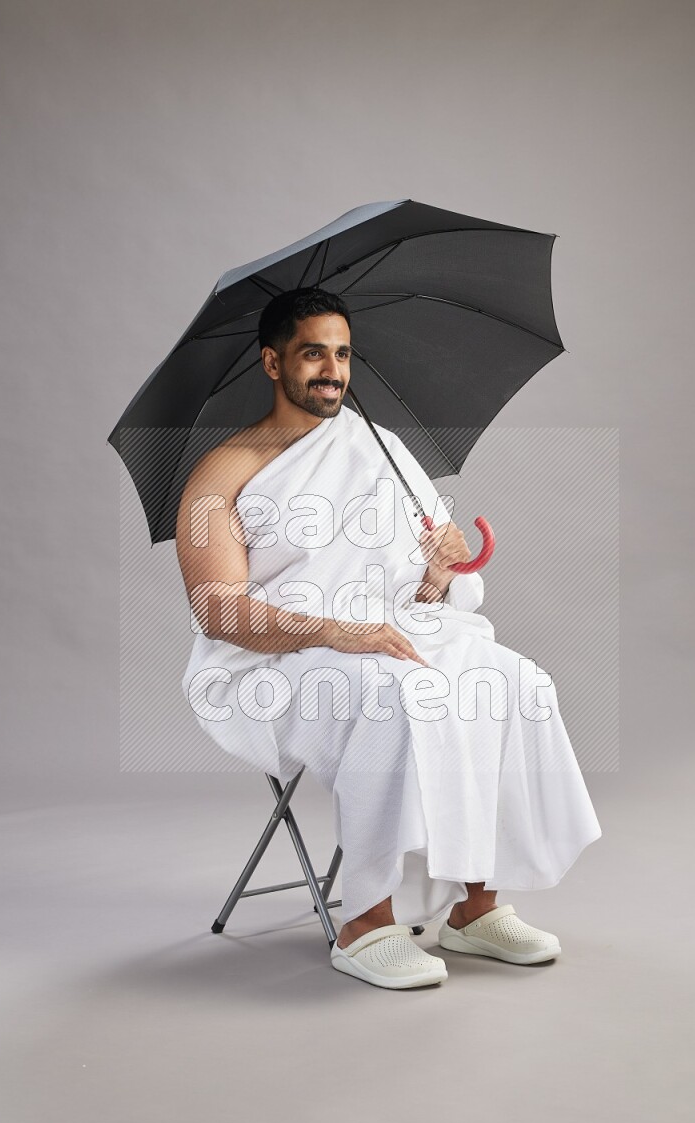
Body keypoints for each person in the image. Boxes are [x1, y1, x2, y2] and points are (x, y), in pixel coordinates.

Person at [176, 287, 602, 991]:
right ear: (272, 363)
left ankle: (476, 905)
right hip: (274, 660)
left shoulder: (385, 449)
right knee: (395, 696)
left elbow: (423, 596)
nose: (333, 370)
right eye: (313, 353)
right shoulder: (217, 476)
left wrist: (438, 571)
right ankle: (366, 922)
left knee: (513, 683)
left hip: (384, 633)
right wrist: (337, 632)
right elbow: (221, 612)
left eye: (343, 354)